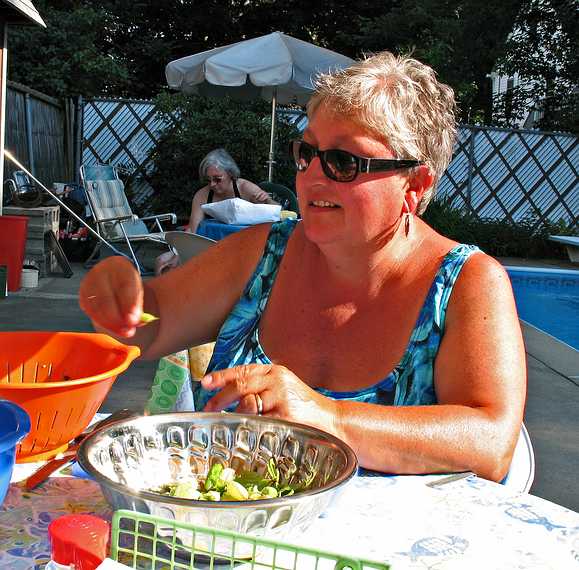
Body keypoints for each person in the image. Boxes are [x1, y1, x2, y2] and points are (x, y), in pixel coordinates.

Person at [79, 51, 526, 482]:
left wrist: (328, 417)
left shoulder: (466, 283)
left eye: (344, 162)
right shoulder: (262, 254)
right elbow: (151, 325)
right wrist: (118, 299)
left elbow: (491, 442)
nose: (312, 177)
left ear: (414, 184)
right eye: (308, 152)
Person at [186, 148, 277, 233]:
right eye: (208, 180)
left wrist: (267, 201)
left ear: (230, 174)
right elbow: (193, 230)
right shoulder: (202, 195)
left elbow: (278, 213)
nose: (212, 184)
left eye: (217, 179)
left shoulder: (245, 188)